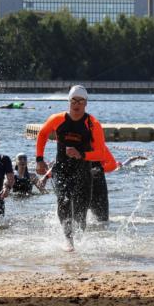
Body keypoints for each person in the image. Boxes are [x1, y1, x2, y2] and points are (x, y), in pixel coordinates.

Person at [35, 86, 118, 251]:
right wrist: (39, 159)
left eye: (80, 101)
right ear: (69, 101)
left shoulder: (92, 124)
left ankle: (80, 241)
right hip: (62, 169)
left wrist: (81, 155)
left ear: (86, 103)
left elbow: (101, 154)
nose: (77, 104)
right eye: (74, 100)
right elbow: (43, 134)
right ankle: (68, 239)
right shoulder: (57, 119)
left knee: (80, 210)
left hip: (83, 171)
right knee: (63, 200)